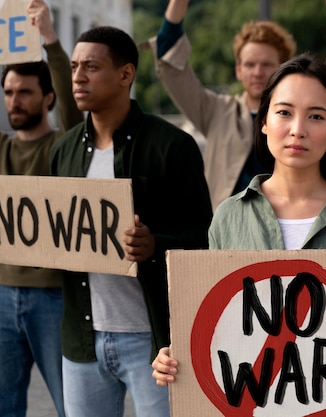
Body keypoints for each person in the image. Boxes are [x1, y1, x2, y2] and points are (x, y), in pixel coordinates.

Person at [151, 52, 326, 399]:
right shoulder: (228, 217)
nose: (298, 129)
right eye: (284, 112)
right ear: (263, 120)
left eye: (316, 116)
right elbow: (214, 320)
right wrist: (175, 357)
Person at [48, 26, 212, 417]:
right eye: (73, 67)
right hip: (82, 342)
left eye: (91, 66)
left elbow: (206, 239)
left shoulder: (173, 146)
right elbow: (51, 235)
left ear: (125, 75)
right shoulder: (63, 150)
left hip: (154, 341)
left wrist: (156, 245)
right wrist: (2, 238)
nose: (78, 77)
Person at [147, 0, 326, 209]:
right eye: (249, 64)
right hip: (231, 234)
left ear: (284, 68)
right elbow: (171, 65)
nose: (257, 72)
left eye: (267, 64)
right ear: (238, 69)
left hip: (301, 219)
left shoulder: (317, 99)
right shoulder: (216, 110)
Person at [0, 1, 83, 415]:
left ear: (47, 98)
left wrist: (50, 39)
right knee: (3, 408)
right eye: (8, 92)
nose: (14, 101)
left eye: (24, 92)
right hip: (0, 294)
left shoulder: (65, 146)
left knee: (70, 405)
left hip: (55, 298)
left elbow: (74, 106)